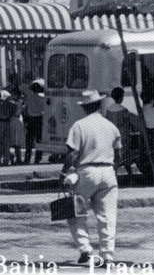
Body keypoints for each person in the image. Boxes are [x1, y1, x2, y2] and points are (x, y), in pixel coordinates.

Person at [61, 90, 122, 264]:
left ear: (85, 107)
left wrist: (64, 172)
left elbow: (73, 153)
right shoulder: (111, 126)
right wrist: (113, 169)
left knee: (76, 213)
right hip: (108, 172)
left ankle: (85, 248)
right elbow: (119, 152)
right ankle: (108, 255)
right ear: (99, 105)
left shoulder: (79, 126)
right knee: (108, 217)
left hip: (86, 172)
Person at [104, 87, 136, 180]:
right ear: (121, 97)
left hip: (112, 135)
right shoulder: (123, 109)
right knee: (125, 156)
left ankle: (114, 176)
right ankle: (130, 177)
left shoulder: (108, 109)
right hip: (123, 134)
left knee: (115, 156)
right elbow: (127, 122)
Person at [23, 79, 45, 165]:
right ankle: (37, 158)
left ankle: (27, 159)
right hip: (40, 119)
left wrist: (25, 119)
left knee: (29, 140)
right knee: (39, 140)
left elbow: (25, 109)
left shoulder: (29, 97)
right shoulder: (43, 97)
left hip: (30, 119)